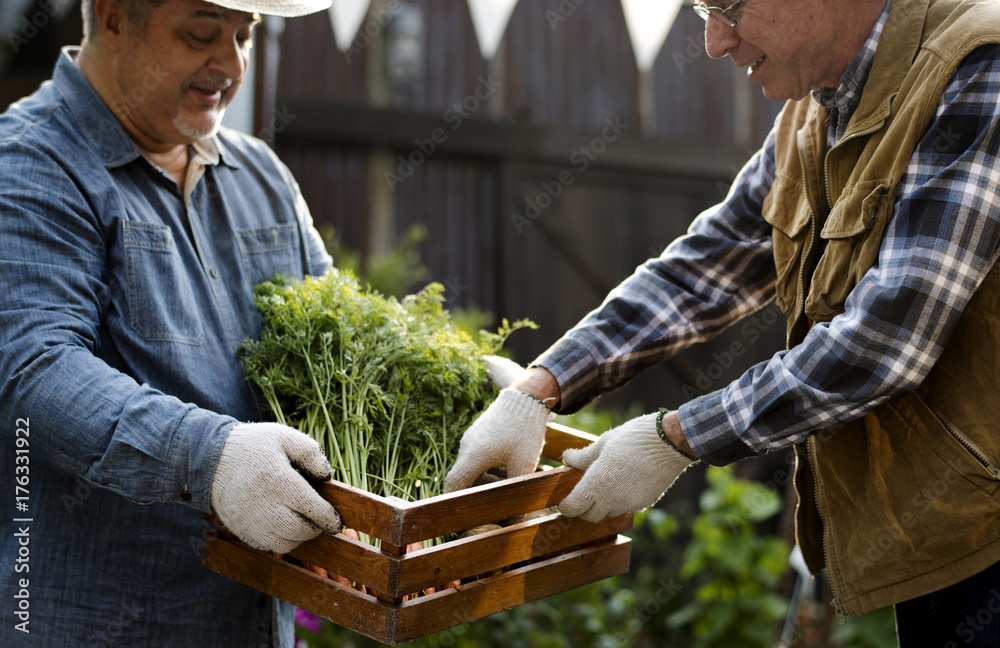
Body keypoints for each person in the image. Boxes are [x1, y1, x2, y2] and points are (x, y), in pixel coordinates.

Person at [446, 0, 1000, 644]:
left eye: (727, 6)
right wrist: (541, 386)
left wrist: (675, 437)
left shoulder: (978, 64)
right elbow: (706, 269)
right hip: (948, 535)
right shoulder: (816, 103)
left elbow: (887, 341)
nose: (712, 42)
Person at [0, 0, 344, 646]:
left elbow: (341, 333)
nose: (232, 63)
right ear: (113, 17)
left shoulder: (262, 178)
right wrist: (210, 458)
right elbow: (36, 372)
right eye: (202, 33)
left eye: (244, 35)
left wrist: (464, 383)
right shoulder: (28, 165)